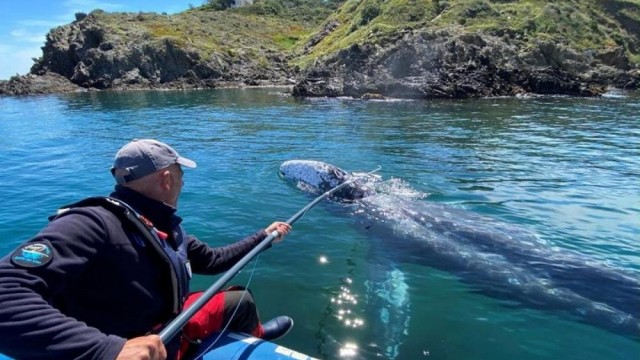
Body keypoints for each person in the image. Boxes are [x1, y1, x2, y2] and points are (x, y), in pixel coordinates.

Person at [0, 139, 293, 360]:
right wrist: (107, 349)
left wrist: (262, 237)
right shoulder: (91, 223)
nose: (183, 183)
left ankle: (257, 335)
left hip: (165, 329)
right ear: (166, 179)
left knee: (238, 299)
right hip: (133, 348)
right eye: (181, 175)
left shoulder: (164, 226)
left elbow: (213, 261)